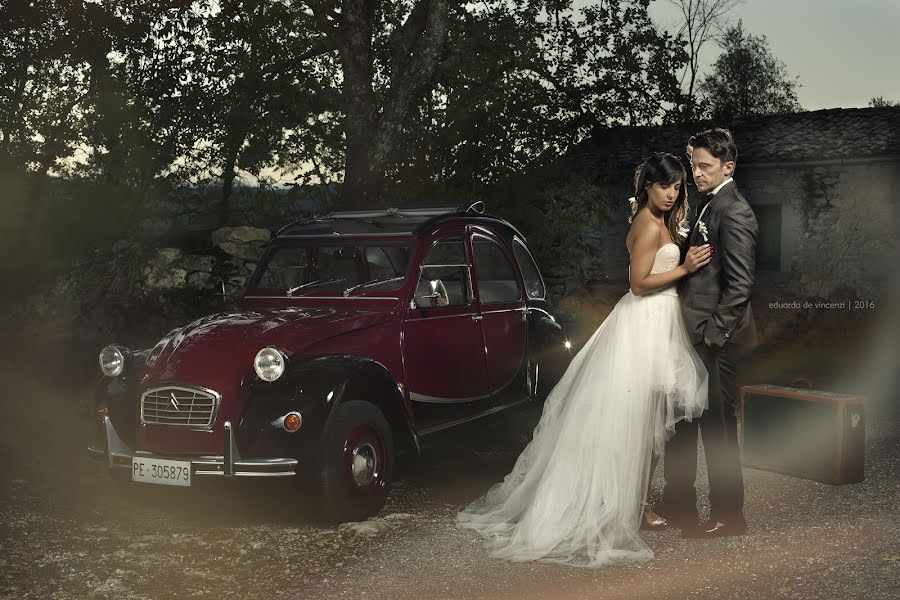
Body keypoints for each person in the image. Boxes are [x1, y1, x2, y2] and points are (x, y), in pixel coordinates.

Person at [456, 153, 711, 567]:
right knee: (634, 422)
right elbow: (639, 283)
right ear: (647, 186)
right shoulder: (647, 225)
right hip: (644, 322)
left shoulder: (662, 221)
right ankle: (633, 506)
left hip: (658, 322)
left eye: (678, 186)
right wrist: (683, 269)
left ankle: (640, 504)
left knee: (646, 423)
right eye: (665, 185)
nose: (672, 193)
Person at [660, 128, 759, 538]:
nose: (696, 173)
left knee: (717, 427)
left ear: (727, 167)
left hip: (716, 340)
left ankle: (728, 516)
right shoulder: (709, 203)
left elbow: (739, 286)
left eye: (705, 166)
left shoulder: (734, 210)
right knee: (682, 419)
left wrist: (712, 339)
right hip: (693, 334)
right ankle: (679, 503)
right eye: (694, 165)